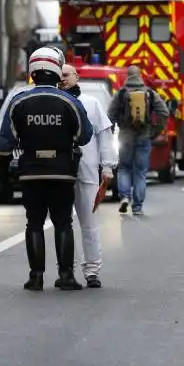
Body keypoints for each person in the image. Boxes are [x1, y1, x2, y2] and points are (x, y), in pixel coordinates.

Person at [0, 47, 93, 291]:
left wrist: (3, 171)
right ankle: (67, 276)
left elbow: (5, 143)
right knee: (63, 223)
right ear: (56, 70)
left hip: (31, 172)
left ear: (33, 72)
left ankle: (36, 277)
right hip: (62, 171)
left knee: (34, 223)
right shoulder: (70, 101)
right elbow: (85, 136)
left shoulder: (19, 102)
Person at [59, 64, 116, 288]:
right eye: (59, 75)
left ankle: (92, 270)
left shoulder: (91, 103)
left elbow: (105, 136)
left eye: (67, 75)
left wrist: (108, 166)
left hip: (87, 171)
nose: (63, 79)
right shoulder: (53, 102)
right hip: (60, 172)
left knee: (89, 223)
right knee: (63, 224)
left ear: (76, 76)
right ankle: (66, 270)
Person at [108, 65, 169, 216]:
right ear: (140, 75)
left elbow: (109, 115)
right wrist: (155, 131)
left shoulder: (121, 94)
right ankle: (137, 207)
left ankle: (124, 197)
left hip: (125, 136)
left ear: (127, 76)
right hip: (144, 135)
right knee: (140, 172)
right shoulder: (150, 93)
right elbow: (164, 113)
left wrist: (112, 132)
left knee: (124, 168)